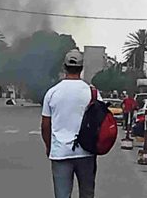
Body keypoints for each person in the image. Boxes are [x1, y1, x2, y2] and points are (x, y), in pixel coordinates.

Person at [41, 49, 100, 198]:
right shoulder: (92, 93)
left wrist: (49, 146)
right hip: (86, 153)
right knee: (87, 194)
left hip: (60, 153)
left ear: (64, 67)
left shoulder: (52, 92)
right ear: (82, 68)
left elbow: (45, 125)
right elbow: (101, 123)